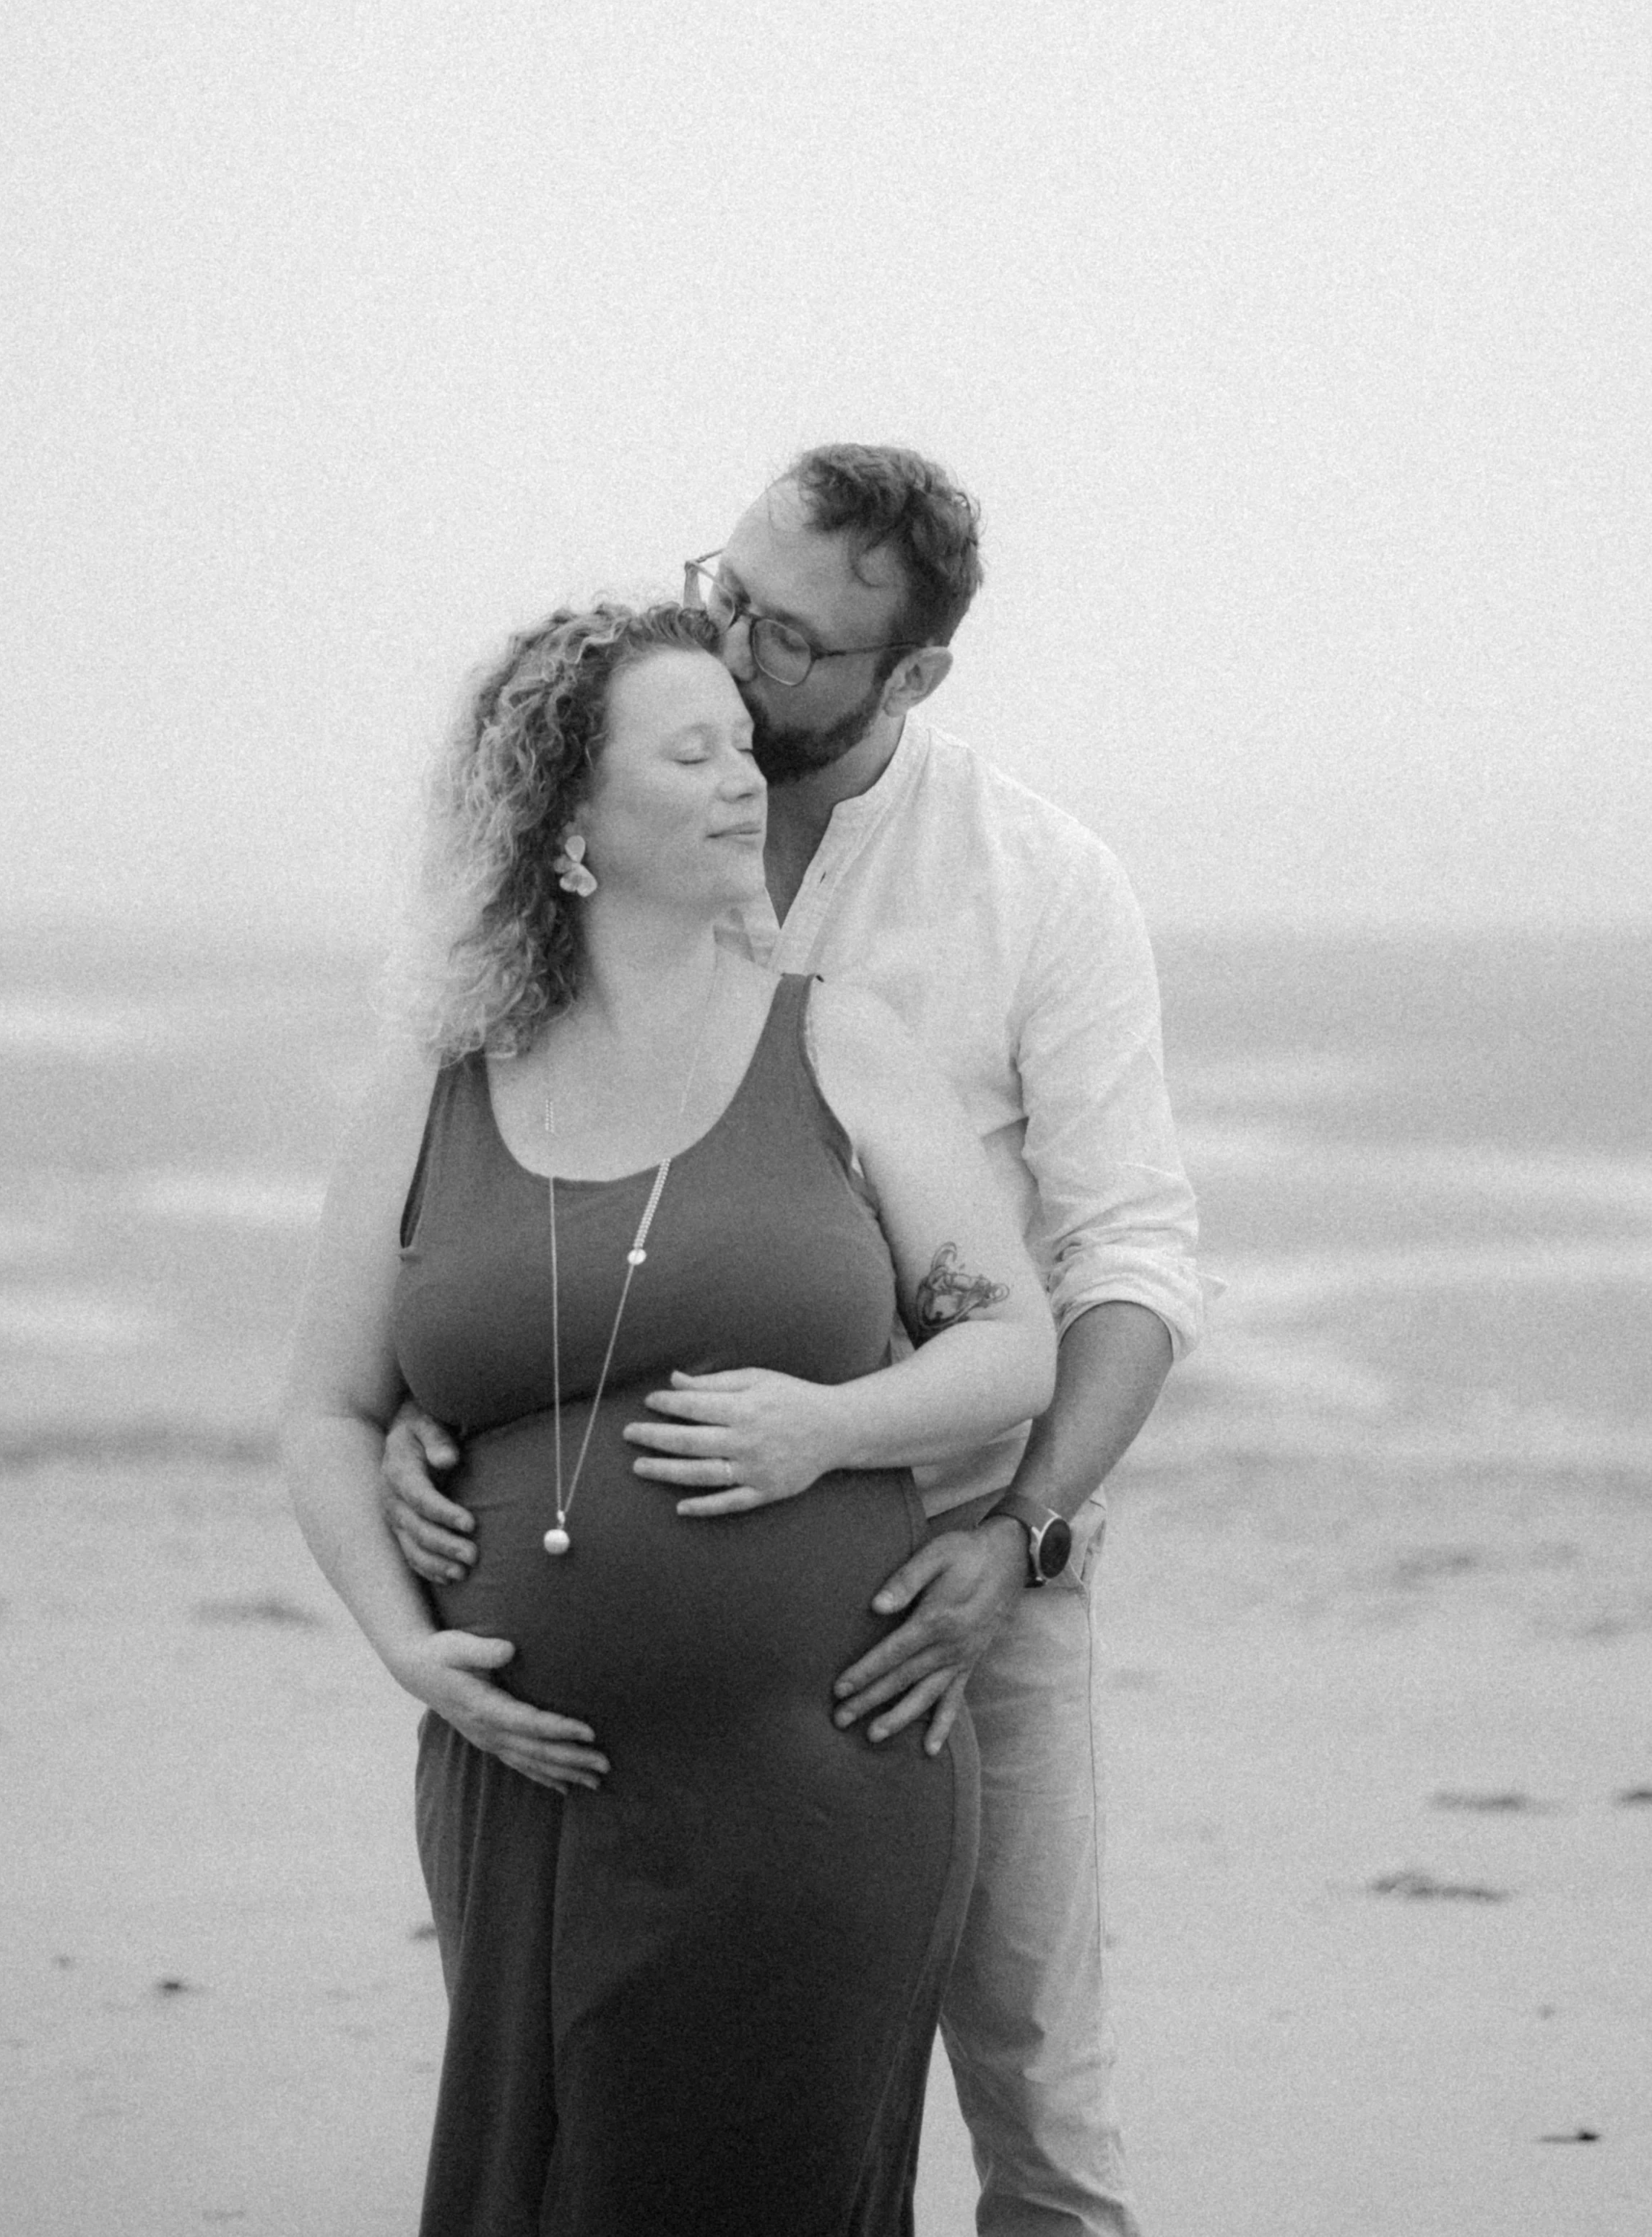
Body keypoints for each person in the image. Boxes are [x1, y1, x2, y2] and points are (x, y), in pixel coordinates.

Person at [386, 446, 1206, 2237]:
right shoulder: (621, 795)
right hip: (589, 1701)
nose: (737, 652)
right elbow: (476, 1181)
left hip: (950, 1589)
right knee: (608, 2132)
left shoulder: (1031, 880)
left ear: (909, 674)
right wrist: (430, 1405)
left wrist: (1019, 1538)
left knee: (1036, 2106)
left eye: (798, 641)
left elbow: (1129, 1259)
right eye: (729, 591)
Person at [280, 599, 1063, 2237]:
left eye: (741, 745)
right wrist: (403, 1648)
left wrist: (826, 1431)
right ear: (566, 822)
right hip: (526, 1786)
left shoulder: (833, 1038)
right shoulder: (438, 1085)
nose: (737, 779)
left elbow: (1009, 1347)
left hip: (821, 1780)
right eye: (688, 750)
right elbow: (327, 1409)